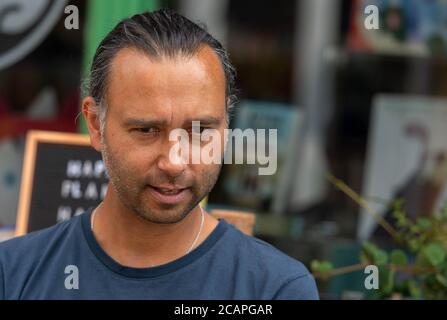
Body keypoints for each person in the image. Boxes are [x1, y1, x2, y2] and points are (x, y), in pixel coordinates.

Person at [0, 9, 318, 300]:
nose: (174, 162)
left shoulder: (274, 288)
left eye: (199, 131)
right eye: (147, 130)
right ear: (95, 125)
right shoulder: (13, 274)